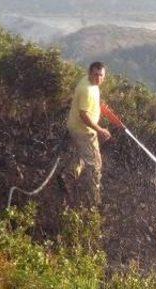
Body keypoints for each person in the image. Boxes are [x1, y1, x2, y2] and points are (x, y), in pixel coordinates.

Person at [63, 61, 125, 208]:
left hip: (78, 128)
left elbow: (94, 104)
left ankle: (68, 175)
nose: (98, 78)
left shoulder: (92, 85)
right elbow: (84, 115)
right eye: (95, 74)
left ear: (104, 76)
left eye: (101, 75)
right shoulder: (86, 89)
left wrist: (107, 112)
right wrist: (100, 130)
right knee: (95, 165)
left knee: (84, 156)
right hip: (83, 131)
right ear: (90, 73)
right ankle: (94, 202)